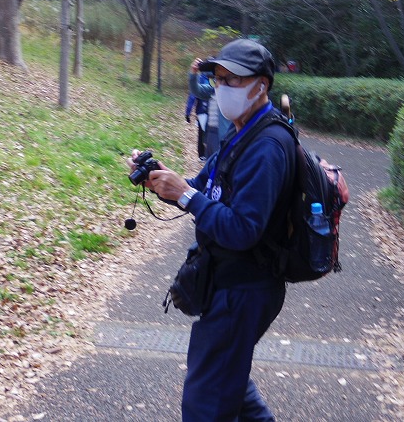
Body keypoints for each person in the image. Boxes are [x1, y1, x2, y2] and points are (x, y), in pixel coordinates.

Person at [126, 39, 296, 421]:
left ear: (262, 85)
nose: (222, 88)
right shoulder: (241, 134)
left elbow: (243, 229)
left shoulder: (268, 145)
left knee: (206, 402)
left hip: (245, 289)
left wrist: (186, 195)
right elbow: (202, 189)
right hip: (230, 284)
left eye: (232, 80)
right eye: (218, 79)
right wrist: (161, 180)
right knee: (228, 383)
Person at [188, 58, 232, 157]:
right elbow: (196, 90)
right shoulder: (213, 90)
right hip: (210, 134)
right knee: (210, 162)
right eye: (217, 78)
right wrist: (193, 74)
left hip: (224, 137)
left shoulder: (233, 93)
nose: (218, 81)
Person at [184, 77, 209, 160]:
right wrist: (188, 113)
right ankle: (203, 154)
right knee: (205, 133)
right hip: (204, 111)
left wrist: (188, 113)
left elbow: (192, 96)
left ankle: (203, 154)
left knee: (203, 132)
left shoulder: (201, 78)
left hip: (203, 111)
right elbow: (193, 96)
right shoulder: (201, 79)